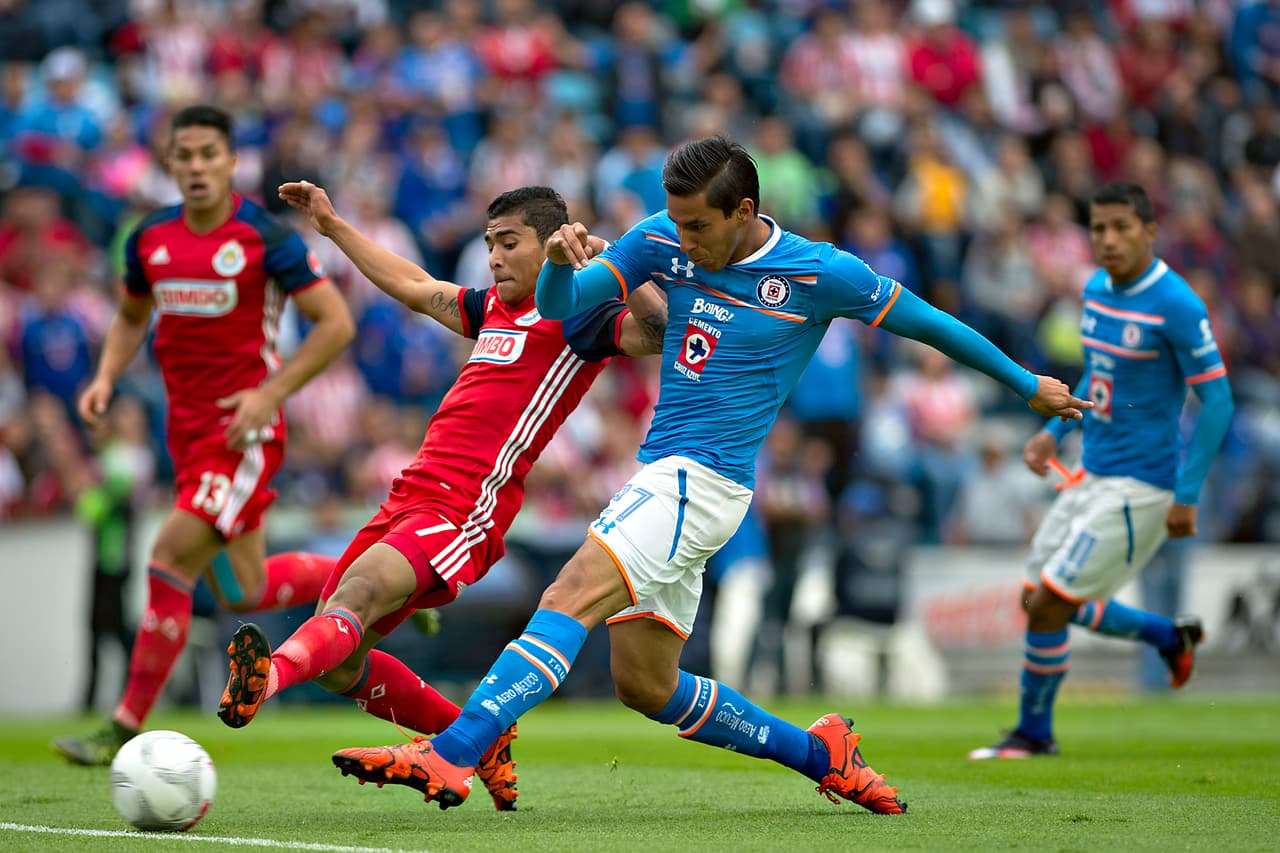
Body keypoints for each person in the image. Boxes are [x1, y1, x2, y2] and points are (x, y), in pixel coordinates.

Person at [321, 136, 1091, 815]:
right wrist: (558, 265)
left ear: (743, 209)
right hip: (667, 476)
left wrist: (1026, 384)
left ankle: (453, 752)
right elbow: (565, 304)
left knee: (569, 594)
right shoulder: (662, 238)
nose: (682, 240)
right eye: (675, 222)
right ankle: (823, 756)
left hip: (704, 479)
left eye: (697, 226)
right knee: (646, 685)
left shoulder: (822, 272)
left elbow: (934, 323)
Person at [216, 181, 666, 811]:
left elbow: (662, 331)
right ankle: (480, 740)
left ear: (549, 244)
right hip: (408, 495)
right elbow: (413, 285)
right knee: (343, 662)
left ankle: (266, 683)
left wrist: (615, 259)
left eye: (509, 243)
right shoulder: (492, 310)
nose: (494, 257)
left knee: (356, 596)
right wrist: (333, 225)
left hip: (465, 510)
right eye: (489, 245)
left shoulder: (581, 319)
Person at [53, 105, 355, 765]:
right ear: (169, 163)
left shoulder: (263, 236)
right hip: (185, 434)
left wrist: (270, 393)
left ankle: (124, 725)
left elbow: (334, 324)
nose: (195, 166)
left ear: (231, 161)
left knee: (169, 556)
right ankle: (374, 582)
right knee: (241, 587)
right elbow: (132, 316)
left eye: (207, 154)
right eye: (183, 155)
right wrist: (106, 375)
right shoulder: (149, 237)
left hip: (246, 431)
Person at [969, 182, 1234, 760]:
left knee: (1050, 604)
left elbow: (1218, 402)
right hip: (1092, 471)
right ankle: (1170, 636)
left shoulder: (1177, 304)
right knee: (1035, 597)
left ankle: (1034, 734)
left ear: (1148, 231)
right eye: (1098, 229)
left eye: (1121, 227)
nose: (1108, 240)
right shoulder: (1094, 290)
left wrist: (1187, 494)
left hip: (1143, 488)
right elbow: (1100, 376)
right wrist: (1054, 430)